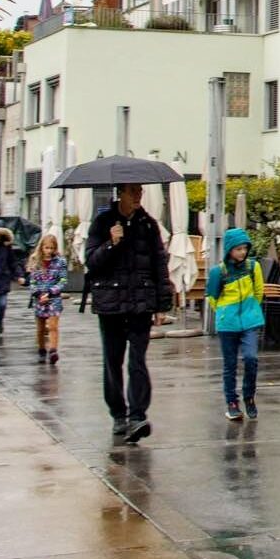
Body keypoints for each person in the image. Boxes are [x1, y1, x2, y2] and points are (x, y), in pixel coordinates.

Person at [86, 183, 174, 444]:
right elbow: (90, 262)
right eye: (132, 191)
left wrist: (161, 305)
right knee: (112, 362)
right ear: (120, 193)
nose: (137, 196)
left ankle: (138, 415)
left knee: (137, 360)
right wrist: (111, 244)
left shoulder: (148, 225)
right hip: (111, 304)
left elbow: (160, 264)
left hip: (140, 303)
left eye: (140, 191)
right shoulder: (102, 222)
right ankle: (118, 414)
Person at [205, 227, 265, 421]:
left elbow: (258, 292)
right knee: (229, 365)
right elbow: (212, 297)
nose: (242, 252)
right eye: (238, 249)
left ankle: (249, 396)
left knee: (251, 358)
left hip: (249, 321)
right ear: (229, 249)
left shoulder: (253, 267)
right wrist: (224, 314)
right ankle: (232, 402)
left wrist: (251, 310)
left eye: (244, 248)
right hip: (228, 324)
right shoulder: (218, 272)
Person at [26, 232, 69, 365]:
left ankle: (53, 350)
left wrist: (50, 293)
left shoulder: (60, 262)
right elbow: (32, 281)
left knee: (53, 326)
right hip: (39, 298)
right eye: (47, 248)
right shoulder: (35, 260)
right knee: (40, 328)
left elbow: (63, 280)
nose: (49, 251)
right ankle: (41, 349)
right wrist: (39, 294)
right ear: (42, 247)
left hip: (54, 298)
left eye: (52, 248)